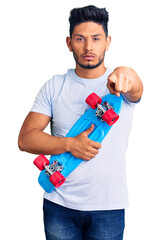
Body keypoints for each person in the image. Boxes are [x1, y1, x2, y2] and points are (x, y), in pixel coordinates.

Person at [18, 5, 143, 240]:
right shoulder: (55, 86)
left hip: (109, 206)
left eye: (96, 39)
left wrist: (128, 73)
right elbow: (25, 139)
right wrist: (69, 145)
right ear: (69, 43)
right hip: (59, 203)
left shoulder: (119, 87)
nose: (88, 47)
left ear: (107, 42)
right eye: (80, 39)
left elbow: (135, 87)